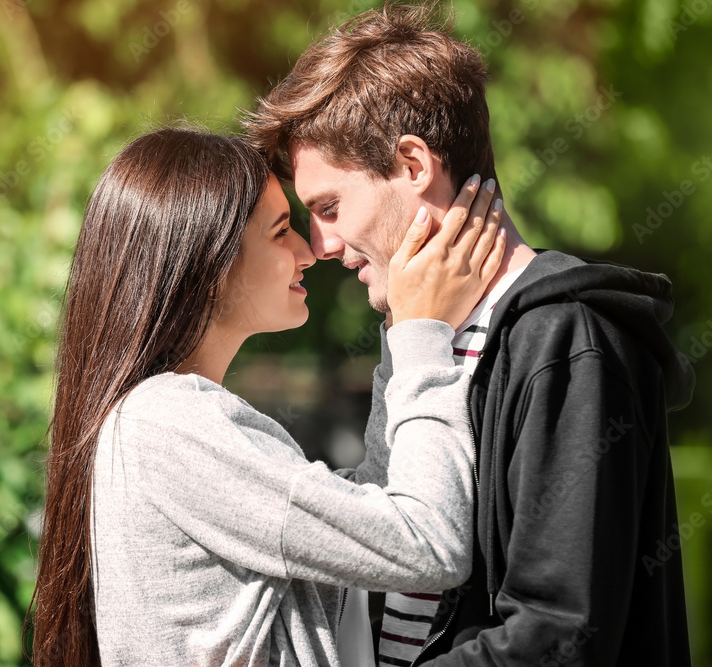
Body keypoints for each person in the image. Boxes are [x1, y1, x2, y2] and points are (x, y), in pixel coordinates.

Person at [244, 4, 696, 666]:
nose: (324, 245)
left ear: (413, 164)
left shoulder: (568, 338)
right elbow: (381, 538)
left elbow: (559, 634)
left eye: (330, 208)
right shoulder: (416, 335)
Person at [27, 127, 509, 666]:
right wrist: (424, 335)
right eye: (281, 231)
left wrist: (405, 321)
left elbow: (371, 510)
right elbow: (425, 542)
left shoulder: (156, 420)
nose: (309, 251)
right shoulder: (167, 423)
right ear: (208, 263)